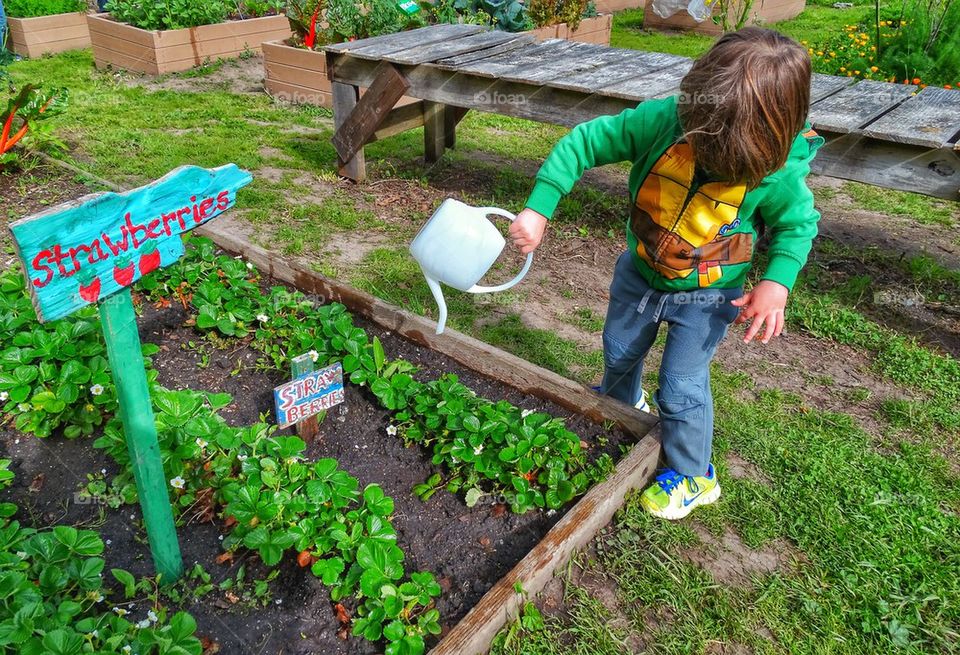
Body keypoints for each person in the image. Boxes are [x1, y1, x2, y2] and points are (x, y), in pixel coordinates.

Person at [509, 27, 823, 520]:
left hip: (710, 296)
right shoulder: (664, 122)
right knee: (617, 349)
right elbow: (585, 143)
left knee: (681, 385)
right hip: (640, 273)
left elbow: (798, 227)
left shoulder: (777, 171)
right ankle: (620, 408)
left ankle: (696, 474)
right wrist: (540, 207)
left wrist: (776, 282)